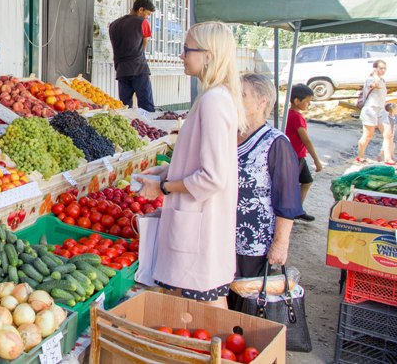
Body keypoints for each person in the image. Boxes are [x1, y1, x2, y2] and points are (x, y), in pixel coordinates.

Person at [136, 21, 245, 307]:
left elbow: (212, 178)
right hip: (201, 220)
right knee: (202, 304)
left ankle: (214, 354)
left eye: (186, 50)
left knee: (205, 306)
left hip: (201, 224)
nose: (181, 56)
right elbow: (205, 162)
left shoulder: (214, 102)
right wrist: (167, 170)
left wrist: (165, 186)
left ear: (208, 55)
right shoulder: (214, 97)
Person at [236, 73, 303, 280]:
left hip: (253, 242)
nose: (234, 99)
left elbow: (287, 198)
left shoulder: (275, 143)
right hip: (219, 236)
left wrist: (280, 244)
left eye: (242, 95)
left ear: (262, 101)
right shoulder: (228, 133)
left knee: (244, 300)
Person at [108, 0, 155, 112]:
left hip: (121, 70)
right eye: (147, 13)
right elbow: (143, 46)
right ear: (140, 10)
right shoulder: (143, 22)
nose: (147, 17)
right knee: (146, 107)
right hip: (138, 68)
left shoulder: (114, 24)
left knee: (125, 108)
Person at [285, 84, 323, 222]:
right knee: (302, 183)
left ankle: (297, 209)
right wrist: (317, 161)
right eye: (307, 101)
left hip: (293, 155)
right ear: (297, 101)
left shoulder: (288, 114)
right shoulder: (297, 117)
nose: (309, 104)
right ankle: (294, 210)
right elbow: (306, 140)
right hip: (297, 156)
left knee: (302, 182)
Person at [357, 60, 393, 164]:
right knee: (368, 135)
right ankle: (360, 156)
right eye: (381, 68)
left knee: (388, 134)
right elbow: (376, 85)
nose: (383, 70)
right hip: (370, 110)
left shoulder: (383, 80)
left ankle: (388, 158)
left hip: (381, 110)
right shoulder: (370, 79)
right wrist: (374, 74)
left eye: (384, 68)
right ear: (375, 68)